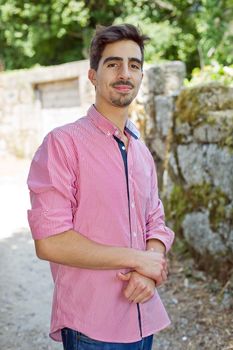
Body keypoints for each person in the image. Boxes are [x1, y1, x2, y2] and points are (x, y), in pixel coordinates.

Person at [27, 24, 175, 350]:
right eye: (113, 63)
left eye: (134, 65)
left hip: (143, 316)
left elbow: (157, 223)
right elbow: (50, 242)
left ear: (140, 76)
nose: (125, 73)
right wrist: (138, 260)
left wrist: (148, 269)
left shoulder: (141, 150)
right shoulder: (62, 145)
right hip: (91, 328)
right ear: (93, 75)